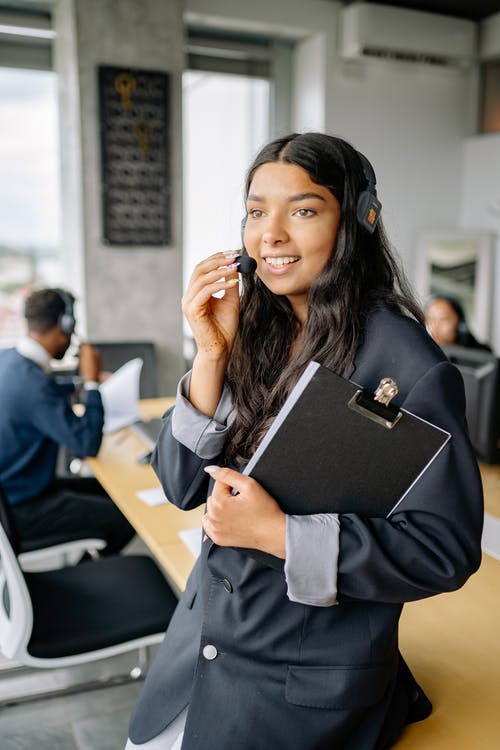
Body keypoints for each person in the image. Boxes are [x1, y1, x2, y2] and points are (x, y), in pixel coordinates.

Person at [126, 133, 483, 750]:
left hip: (298, 691)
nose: (272, 234)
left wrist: (276, 535)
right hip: (200, 653)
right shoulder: (254, 328)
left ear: (355, 222)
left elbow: (444, 550)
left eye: (305, 210)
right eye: (258, 211)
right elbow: (180, 485)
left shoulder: (405, 361)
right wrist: (211, 353)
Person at [0, 287, 135, 555]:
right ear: (65, 325)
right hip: (24, 507)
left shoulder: (9, 360)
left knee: (114, 494)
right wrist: (91, 383)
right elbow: (87, 445)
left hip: (14, 490)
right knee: (126, 518)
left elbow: (42, 394)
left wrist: (77, 385)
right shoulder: (35, 387)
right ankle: (90, 572)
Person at [424, 294, 492, 351]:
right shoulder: (423, 350)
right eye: (430, 319)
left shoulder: (481, 354)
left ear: (460, 324)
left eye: (443, 319)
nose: (435, 326)